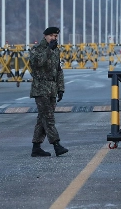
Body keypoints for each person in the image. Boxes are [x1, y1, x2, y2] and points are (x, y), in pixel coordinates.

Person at [29, 26, 68, 157]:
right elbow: (37, 63)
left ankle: (36, 147)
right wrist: (48, 50)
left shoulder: (56, 50)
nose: (54, 38)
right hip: (40, 87)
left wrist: (61, 88)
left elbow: (59, 70)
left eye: (56, 36)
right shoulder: (37, 49)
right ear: (45, 36)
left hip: (52, 88)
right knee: (48, 117)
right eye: (51, 36)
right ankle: (56, 145)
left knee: (42, 118)